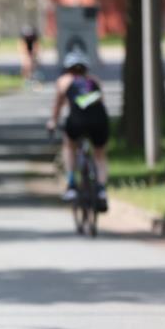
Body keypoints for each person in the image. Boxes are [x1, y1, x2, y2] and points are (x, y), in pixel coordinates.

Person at [45, 49, 109, 212]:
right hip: (99, 120)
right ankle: (101, 190)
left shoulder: (64, 81)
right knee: (99, 154)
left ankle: (72, 184)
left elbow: (58, 105)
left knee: (69, 145)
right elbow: (102, 102)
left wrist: (53, 121)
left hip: (77, 120)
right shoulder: (94, 80)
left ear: (68, 68)